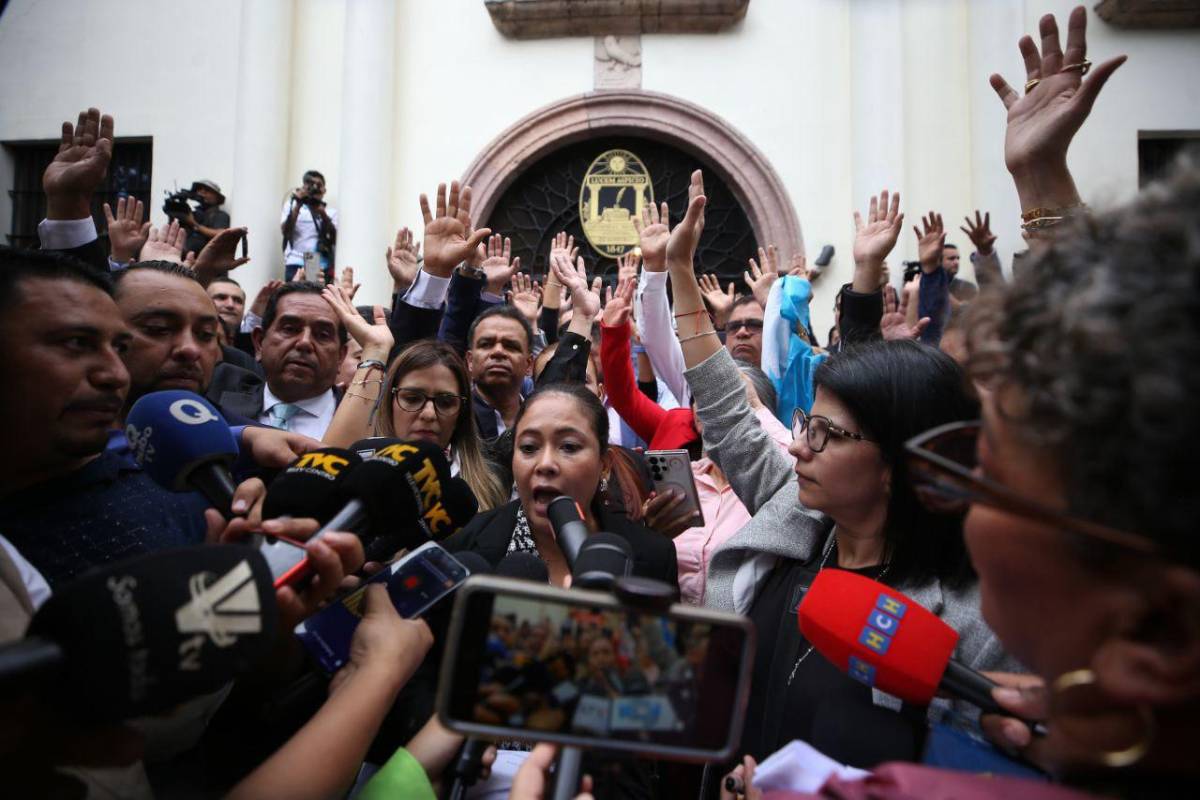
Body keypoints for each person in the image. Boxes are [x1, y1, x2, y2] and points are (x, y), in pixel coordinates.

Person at [660, 170, 1014, 770]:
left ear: (898, 462)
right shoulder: (795, 515)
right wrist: (680, 276)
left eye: (828, 436)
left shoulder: (969, 617)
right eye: (806, 425)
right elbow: (725, 410)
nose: (799, 449)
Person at [445, 383, 677, 590]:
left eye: (568, 446)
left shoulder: (654, 555)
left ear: (604, 465)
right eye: (528, 447)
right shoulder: (466, 547)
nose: (545, 464)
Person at [320, 286, 510, 512]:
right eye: (412, 399)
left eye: (445, 402)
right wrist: (375, 351)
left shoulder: (491, 486)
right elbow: (322, 487)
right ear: (389, 403)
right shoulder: (360, 474)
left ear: (462, 411)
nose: (429, 414)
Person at [209, 281, 348, 438]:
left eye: (322, 335)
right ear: (260, 342)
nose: (304, 342)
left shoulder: (367, 422)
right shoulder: (215, 402)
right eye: (289, 329)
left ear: (341, 356)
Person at [467, 305, 534, 440]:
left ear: (529, 364)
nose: (498, 352)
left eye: (511, 346)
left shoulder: (543, 419)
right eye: (486, 344)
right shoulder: (454, 419)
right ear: (470, 361)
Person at [281, 169, 338, 282]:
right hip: (295, 258)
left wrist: (322, 214)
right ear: (304, 187)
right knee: (293, 296)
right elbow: (285, 231)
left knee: (312, 296)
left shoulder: (330, 212)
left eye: (319, 185)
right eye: (310, 185)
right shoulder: (292, 205)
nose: (315, 188)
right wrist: (298, 204)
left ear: (324, 190)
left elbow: (334, 238)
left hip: (314, 259)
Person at [180, 179, 230, 257]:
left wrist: (195, 224)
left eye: (207, 190)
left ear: (217, 198)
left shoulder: (220, 215)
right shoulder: (192, 213)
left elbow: (221, 234)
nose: (202, 192)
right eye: (199, 189)